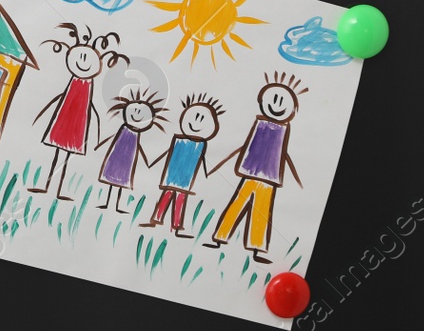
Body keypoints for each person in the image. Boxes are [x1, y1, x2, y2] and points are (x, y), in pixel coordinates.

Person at [205, 74, 306, 262]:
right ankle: (220, 238)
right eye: (273, 98)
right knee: (237, 205)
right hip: (251, 172)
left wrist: (294, 173)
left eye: (282, 100)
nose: (276, 104)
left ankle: (256, 249)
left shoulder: (283, 129)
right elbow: (247, 146)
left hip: (269, 177)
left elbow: (283, 153)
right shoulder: (261, 124)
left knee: (261, 212)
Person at [29, 24, 125, 201]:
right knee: (58, 153)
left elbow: (90, 109)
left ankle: (57, 189)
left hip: (77, 124)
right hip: (64, 119)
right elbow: (61, 99)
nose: (82, 61)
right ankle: (47, 186)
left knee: (65, 158)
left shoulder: (88, 86)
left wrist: (95, 128)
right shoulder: (73, 83)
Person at [139, 93, 223, 237]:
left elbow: (202, 162)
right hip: (172, 175)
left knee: (180, 200)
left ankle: (176, 226)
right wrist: (153, 161)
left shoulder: (200, 145)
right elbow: (167, 152)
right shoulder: (178, 140)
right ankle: (157, 219)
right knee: (167, 195)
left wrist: (209, 171)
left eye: (202, 119)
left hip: (185, 179)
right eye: (194, 116)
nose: (196, 122)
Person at [94, 88, 166, 213]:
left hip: (127, 160)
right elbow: (113, 139)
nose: (137, 114)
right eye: (135, 110)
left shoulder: (136, 134)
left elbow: (138, 147)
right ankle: (106, 202)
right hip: (116, 157)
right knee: (111, 179)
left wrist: (146, 159)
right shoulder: (124, 128)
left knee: (121, 181)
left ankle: (116, 205)